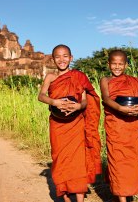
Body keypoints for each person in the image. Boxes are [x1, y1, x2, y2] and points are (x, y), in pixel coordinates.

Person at [38, 44, 102, 202]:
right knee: (60, 159)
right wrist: (55, 102)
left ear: (71, 58)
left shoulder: (79, 76)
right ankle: (66, 196)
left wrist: (79, 106)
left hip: (76, 124)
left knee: (77, 161)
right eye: (58, 57)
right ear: (53, 60)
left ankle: (79, 198)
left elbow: (86, 100)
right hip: (58, 124)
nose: (62, 60)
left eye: (65, 56)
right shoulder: (51, 77)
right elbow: (41, 96)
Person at [100, 50, 138, 202]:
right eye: (114, 64)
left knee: (131, 163)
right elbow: (106, 99)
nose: (117, 67)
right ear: (108, 64)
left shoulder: (134, 81)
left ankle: (127, 193)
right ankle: (122, 198)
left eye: (120, 64)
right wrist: (120, 109)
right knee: (117, 162)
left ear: (126, 65)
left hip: (132, 128)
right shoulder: (105, 80)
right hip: (116, 127)